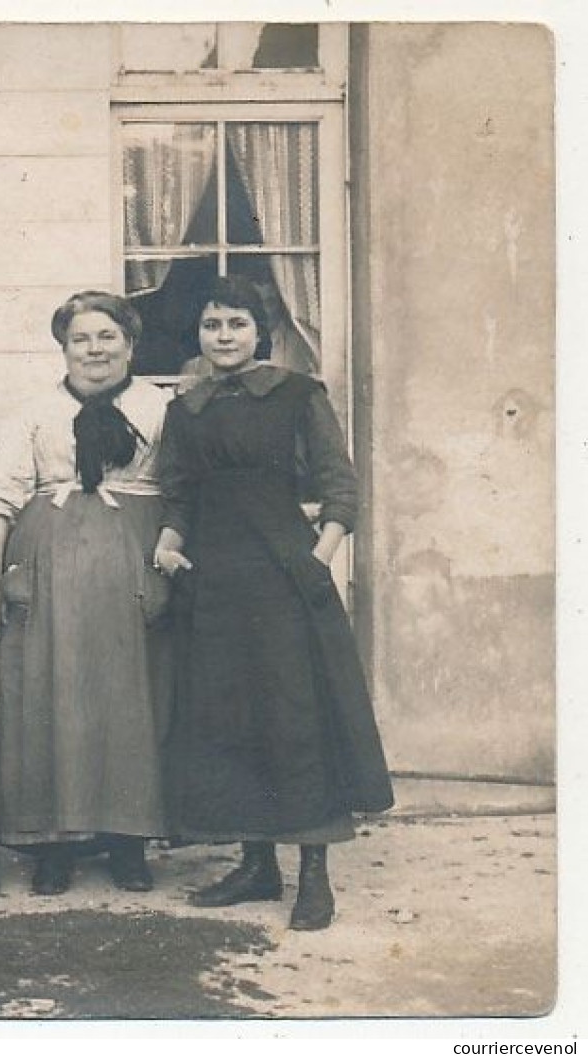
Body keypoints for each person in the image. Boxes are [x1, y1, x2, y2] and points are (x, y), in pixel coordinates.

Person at [151, 275, 393, 931]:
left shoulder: (296, 395)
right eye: (210, 325)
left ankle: (313, 875)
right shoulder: (185, 408)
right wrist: (168, 546)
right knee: (229, 719)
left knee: (293, 720)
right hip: (212, 582)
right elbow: (176, 494)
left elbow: (338, 488)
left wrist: (317, 560)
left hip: (284, 579)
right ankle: (256, 865)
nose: (221, 336)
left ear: (261, 331)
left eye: (234, 323)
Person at [0, 291, 173, 896]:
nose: (95, 350)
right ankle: (51, 844)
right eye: (81, 339)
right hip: (46, 572)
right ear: (63, 347)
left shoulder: (161, 411)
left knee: (130, 699)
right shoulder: (33, 413)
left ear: (131, 345)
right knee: (47, 697)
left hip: (132, 565)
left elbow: (184, 491)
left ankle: (129, 841)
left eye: (108, 337)